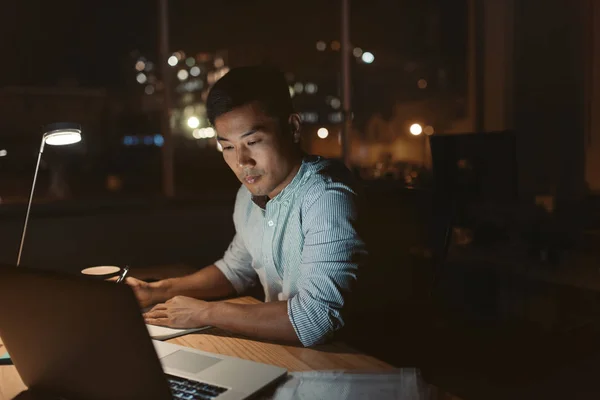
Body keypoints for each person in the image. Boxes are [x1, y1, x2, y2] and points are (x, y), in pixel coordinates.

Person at [128, 66, 366, 347]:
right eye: (227, 147)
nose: (242, 161)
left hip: (350, 365)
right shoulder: (248, 194)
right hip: (289, 353)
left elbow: (315, 319)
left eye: (252, 141)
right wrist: (157, 291)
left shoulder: (327, 195)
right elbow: (235, 270)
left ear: (292, 128)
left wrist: (205, 312)